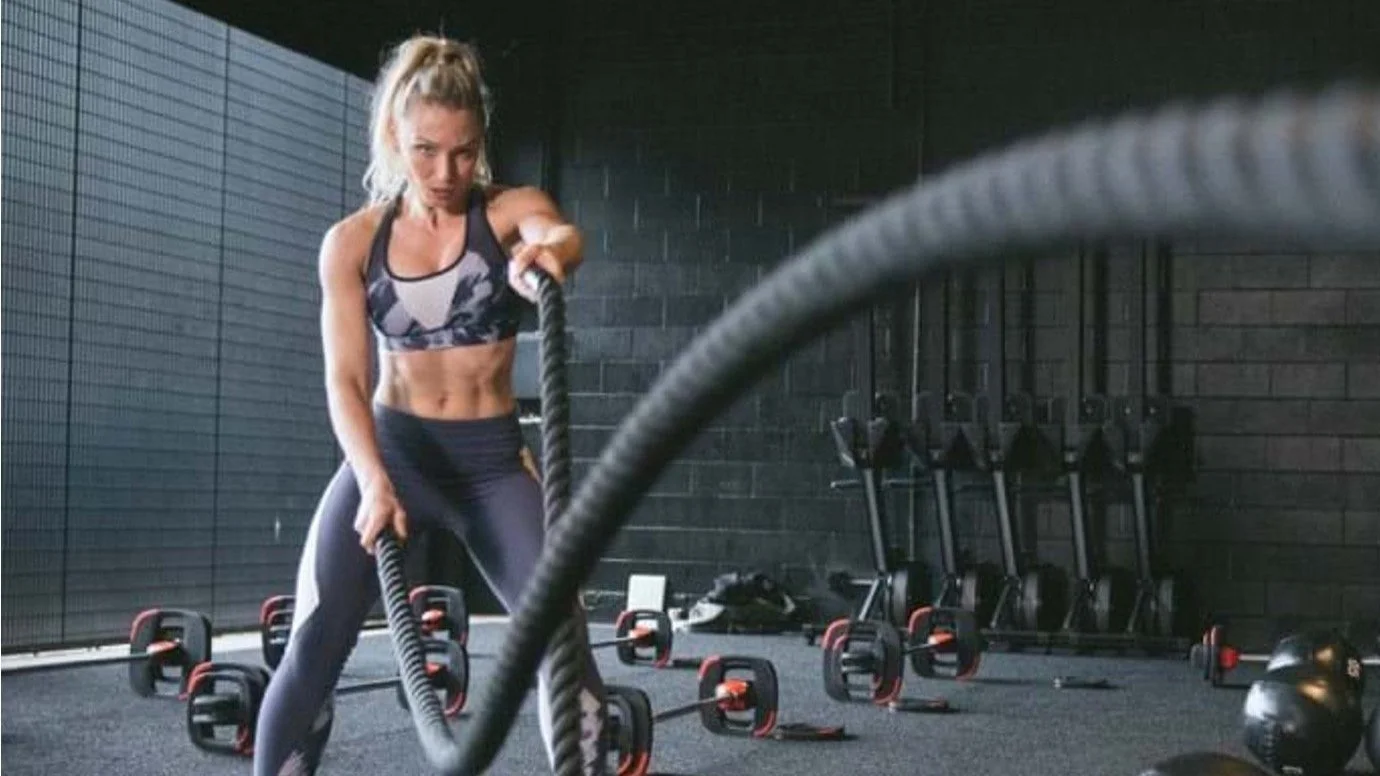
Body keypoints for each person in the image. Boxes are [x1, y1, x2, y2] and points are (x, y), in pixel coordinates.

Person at [252, 33, 606, 776]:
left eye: (463, 151)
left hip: (491, 468)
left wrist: (549, 257)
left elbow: (561, 234)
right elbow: (345, 381)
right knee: (314, 638)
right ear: (392, 136)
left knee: (563, 645)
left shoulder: (509, 213)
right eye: (425, 151)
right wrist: (372, 478)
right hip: (393, 456)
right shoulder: (351, 244)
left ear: (481, 143)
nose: (445, 172)